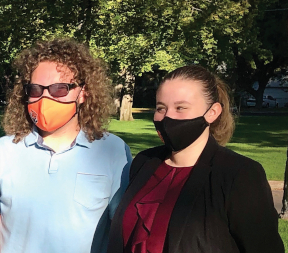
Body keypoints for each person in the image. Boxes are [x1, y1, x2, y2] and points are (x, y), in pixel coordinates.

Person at [0, 38, 133, 253]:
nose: (45, 97)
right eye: (35, 89)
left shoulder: (113, 151)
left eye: (60, 89)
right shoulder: (1, 152)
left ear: (83, 93)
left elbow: (122, 234)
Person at [107, 65, 283, 253]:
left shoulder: (240, 175)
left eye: (180, 108)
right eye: (161, 108)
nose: (168, 117)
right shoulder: (145, 162)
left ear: (212, 112)